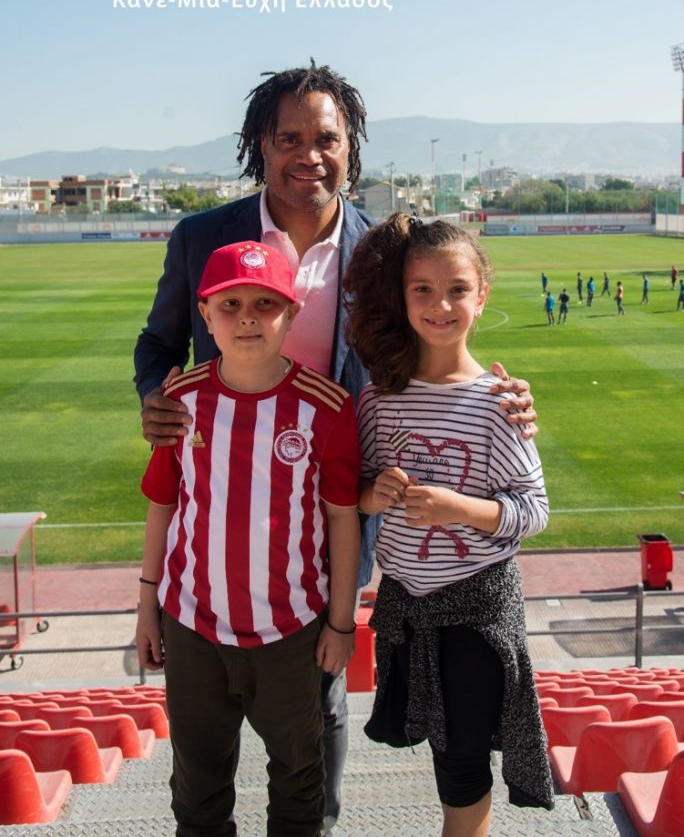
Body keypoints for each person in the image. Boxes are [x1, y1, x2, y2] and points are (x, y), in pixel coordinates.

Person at [133, 60, 539, 833]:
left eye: (327, 138)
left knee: (317, 717)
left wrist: (502, 393)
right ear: (260, 144)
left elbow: (434, 327)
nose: (309, 155)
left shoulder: (383, 250)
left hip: (342, 505)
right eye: (289, 138)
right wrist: (157, 398)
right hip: (226, 517)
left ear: (351, 146)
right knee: (206, 758)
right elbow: (158, 345)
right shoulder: (201, 237)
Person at [136, 241, 361, 837]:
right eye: (230, 304)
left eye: (266, 304)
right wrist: (147, 607)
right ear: (205, 315)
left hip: (291, 632)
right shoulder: (179, 401)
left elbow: (343, 519)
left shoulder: (326, 407)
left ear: (292, 313)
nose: (247, 318)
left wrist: (342, 623)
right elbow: (163, 505)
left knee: (299, 780)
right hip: (193, 626)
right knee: (197, 787)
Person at [343, 214, 553, 837]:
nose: (440, 305)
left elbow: (533, 510)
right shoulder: (377, 399)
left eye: (457, 289)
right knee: (443, 756)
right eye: (423, 290)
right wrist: (372, 494)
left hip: (476, 612)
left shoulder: (497, 402)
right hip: (408, 606)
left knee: (463, 767)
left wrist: (457, 508)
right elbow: (356, 495)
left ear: (481, 296)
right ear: (402, 296)